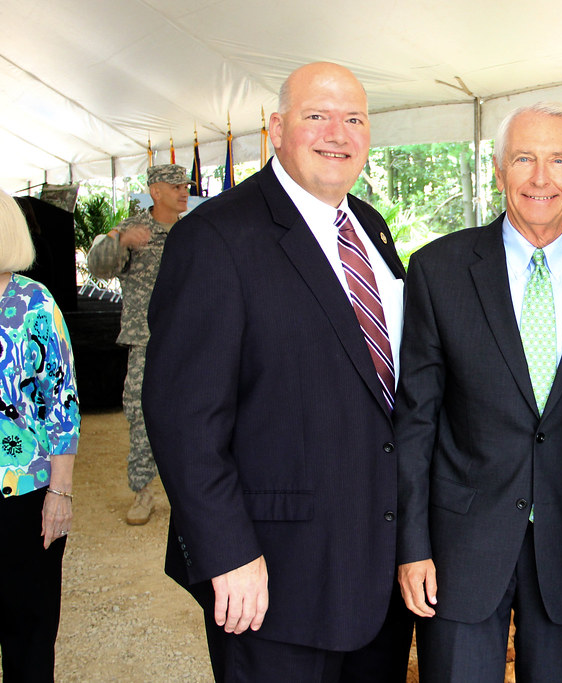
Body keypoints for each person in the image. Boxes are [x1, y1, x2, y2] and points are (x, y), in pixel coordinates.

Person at [142, 62, 412, 681]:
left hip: (375, 571)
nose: (337, 133)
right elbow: (184, 418)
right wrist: (227, 552)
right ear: (277, 128)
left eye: (354, 119)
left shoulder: (369, 226)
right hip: (273, 578)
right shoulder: (215, 236)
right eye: (317, 116)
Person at [395, 102, 562, 682]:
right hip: (459, 549)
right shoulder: (438, 269)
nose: (540, 177)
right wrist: (412, 545)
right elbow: (416, 419)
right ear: (499, 170)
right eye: (524, 158)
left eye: (559, 160)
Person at [0, 189, 80, 681]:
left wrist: (60, 493)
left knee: (28, 638)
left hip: (23, 497)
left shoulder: (34, 304)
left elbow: (62, 407)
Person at [86, 164, 191, 525]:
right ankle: (143, 492)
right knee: (141, 414)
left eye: (185, 185)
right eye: (175, 186)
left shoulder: (193, 230)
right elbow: (99, 268)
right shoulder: (132, 229)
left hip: (190, 342)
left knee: (193, 415)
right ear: (154, 191)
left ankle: (190, 492)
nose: (184, 191)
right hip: (146, 340)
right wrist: (119, 241)